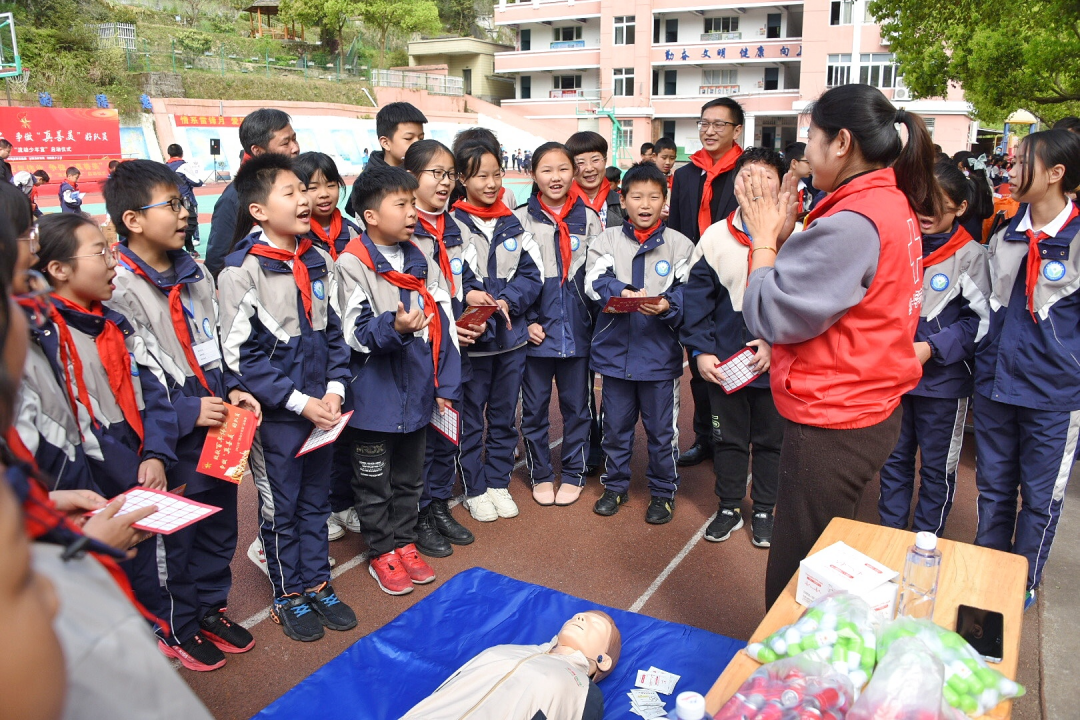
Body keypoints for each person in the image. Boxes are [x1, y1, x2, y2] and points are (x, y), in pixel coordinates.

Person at [738, 83, 940, 608]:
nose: (805, 152)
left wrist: (762, 239)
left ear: (842, 142)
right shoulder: (885, 202)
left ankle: (792, 678)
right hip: (866, 402)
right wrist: (783, 240)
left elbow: (769, 314)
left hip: (834, 417)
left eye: (811, 138)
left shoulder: (853, 220)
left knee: (800, 572)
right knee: (838, 549)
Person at [103, 159, 263, 669]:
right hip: (173, 431)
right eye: (171, 204)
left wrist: (235, 389)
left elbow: (217, 342)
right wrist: (187, 411)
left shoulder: (196, 274)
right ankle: (176, 624)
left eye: (184, 203)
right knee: (173, 538)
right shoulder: (120, 290)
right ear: (132, 220)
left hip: (221, 421)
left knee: (218, 524)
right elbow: (131, 380)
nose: (185, 213)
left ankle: (210, 607)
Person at [217, 153, 355, 642]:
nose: (305, 199)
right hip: (279, 418)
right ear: (258, 210)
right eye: (291, 192)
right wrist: (300, 402)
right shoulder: (240, 273)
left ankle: (318, 582)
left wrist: (335, 390)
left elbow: (335, 332)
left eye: (305, 190)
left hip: (322, 412)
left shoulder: (317, 259)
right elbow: (240, 360)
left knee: (316, 503)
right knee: (282, 508)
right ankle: (288, 593)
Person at [33, 213, 185, 653]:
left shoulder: (116, 320)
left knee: (167, 557)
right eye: (100, 252)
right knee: (124, 570)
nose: (112, 261)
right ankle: (155, 632)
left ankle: (177, 624)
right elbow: (76, 423)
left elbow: (155, 391)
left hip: (141, 457)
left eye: (110, 250)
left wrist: (155, 453)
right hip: (103, 472)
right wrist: (132, 470)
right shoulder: (48, 337)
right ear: (59, 269)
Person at [336, 164, 460, 594]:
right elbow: (353, 332)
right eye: (402, 204)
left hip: (418, 393)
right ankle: (381, 552)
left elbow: (442, 325)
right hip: (374, 400)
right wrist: (396, 327)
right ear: (371, 216)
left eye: (413, 204)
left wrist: (443, 385)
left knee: (410, 478)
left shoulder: (419, 257)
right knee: (373, 483)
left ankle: (405, 543)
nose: (412, 213)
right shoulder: (351, 263)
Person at [973, 128, 1080, 610]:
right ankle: (987, 571)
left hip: (1055, 396)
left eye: (1020, 164)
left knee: (1040, 498)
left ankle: (1023, 580)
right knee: (994, 489)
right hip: (996, 385)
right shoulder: (1005, 231)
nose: (1009, 172)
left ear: (1056, 174)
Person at [878, 161, 991, 538]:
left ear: (960, 208)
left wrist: (931, 347)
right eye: (920, 200)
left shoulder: (971, 256)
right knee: (893, 460)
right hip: (895, 378)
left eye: (937, 204)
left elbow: (981, 322)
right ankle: (891, 534)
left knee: (937, 468)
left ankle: (927, 540)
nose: (925, 211)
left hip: (943, 384)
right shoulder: (899, 245)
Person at [681, 148, 787, 548]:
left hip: (774, 366)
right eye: (747, 177)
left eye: (766, 178)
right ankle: (728, 506)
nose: (755, 185)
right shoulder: (714, 237)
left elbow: (802, 303)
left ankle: (763, 510)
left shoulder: (796, 234)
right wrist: (702, 352)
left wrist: (777, 344)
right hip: (725, 367)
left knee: (771, 443)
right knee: (727, 439)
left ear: (781, 187)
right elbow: (697, 300)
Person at [585, 162, 694, 524]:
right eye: (636, 196)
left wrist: (667, 305)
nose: (644, 204)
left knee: (663, 434)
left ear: (665, 201)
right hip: (615, 359)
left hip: (659, 359)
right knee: (615, 430)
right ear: (623, 199)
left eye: (653, 196)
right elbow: (593, 282)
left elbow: (689, 293)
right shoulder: (607, 241)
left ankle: (663, 493)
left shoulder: (681, 245)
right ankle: (614, 487)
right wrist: (623, 292)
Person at [452, 141, 542, 523]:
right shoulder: (452, 224)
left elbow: (532, 274)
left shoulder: (515, 222)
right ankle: (474, 488)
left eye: (496, 174)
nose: (490, 183)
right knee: (470, 420)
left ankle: (498, 483)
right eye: (480, 176)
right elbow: (455, 276)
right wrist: (474, 302)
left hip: (511, 342)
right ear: (462, 178)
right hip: (473, 346)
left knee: (504, 418)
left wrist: (507, 301)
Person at [402, 140, 478, 557]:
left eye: (450, 175)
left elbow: (461, 286)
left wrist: (469, 316)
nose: (446, 182)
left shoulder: (456, 228)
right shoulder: (401, 232)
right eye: (437, 173)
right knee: (418, 440)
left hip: (452, 351)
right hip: (417, 351)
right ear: (412, 177)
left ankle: (436, 505)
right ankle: (415, 516)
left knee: (448, 432)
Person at [517, 143, 603, 507]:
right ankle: (539, 473)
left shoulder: (591, 219)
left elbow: (601, 277)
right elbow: (509, 280)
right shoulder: (518, 219)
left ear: (574, 172)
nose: (556, 177)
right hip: (537, 336)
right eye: (547, 170)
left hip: (578, 335)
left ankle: (574, 473)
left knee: (578, 409)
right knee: (534, 411)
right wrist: (524, 322)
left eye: (563, 169)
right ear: (533, 174)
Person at [293, 151, 365, 544]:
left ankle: (340, 502)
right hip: (314, 348)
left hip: (350, 348)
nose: (323, 194)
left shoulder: (352, 232)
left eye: (330, 183)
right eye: (310, 186)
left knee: (344, 431)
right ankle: (317, 510)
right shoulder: (296, 237)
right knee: (312, 434)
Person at [668, 98, 745, 469]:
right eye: (704, 123)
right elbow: (679, 232)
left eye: (719, 124)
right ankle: (707, 435)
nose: (710, 131)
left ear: (736, 130)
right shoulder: (685, 175)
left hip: (733, 279)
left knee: (736, 362)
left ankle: (735, 439)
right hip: (695, 282)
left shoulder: (746, 172)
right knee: (700, 363)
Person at [401, 610, 621, 720]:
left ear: (604, 660)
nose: (580, 618)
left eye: (595, 625)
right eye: (577, 616)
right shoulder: (508, 649)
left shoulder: (585, 691)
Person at [205, 108, 300, 277]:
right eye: (285, 143)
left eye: (295, 139)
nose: (295, 148)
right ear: (257, 151)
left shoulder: (298, 180)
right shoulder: (235, 197)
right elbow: (217, 261)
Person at [566, 131, 624, 230]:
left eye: (595, 160)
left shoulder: (623, 203)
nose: (589, 168)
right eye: (580, 162)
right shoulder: (563, 204)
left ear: (605, 160)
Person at [165, 144, 205, 256]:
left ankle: (190, 248)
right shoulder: (183, 166)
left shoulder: (165, 166)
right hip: (185, 200)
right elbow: (195, 181)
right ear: (181, 153)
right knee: (191, 223)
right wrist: (200, 182)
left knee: (176, 223)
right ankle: (178, 248)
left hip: (170, 201)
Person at [784, 141, 818, 224]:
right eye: (808, 162)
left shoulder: (806, 189)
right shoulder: (779, 187)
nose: (811, 167)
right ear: (794, 163)